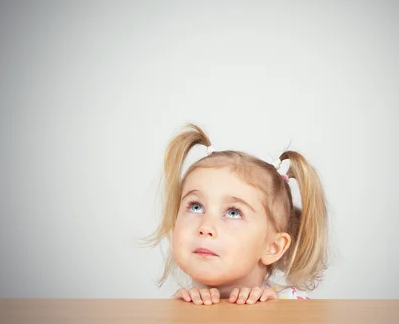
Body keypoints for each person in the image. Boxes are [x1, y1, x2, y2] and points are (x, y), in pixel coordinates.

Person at [140, 123, 329, 304]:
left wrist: (273, 314)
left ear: (273, 247)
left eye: (233, 212)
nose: (205, 227)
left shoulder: (291, 306)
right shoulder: (175, 307)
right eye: (195, 206)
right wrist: (179, 315)